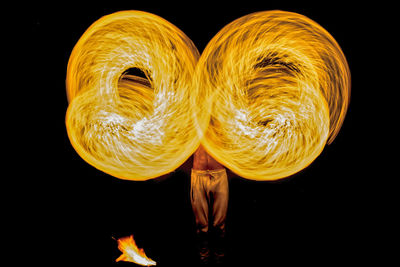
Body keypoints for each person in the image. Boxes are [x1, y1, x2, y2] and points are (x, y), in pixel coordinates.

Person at [191, 144, 229, 266]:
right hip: (198, 174)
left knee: (220, 225)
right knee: (201, 226)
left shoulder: (222, 124)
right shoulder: (193, 124)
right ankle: (204, 258)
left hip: (219, 174)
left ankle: (220, 258)